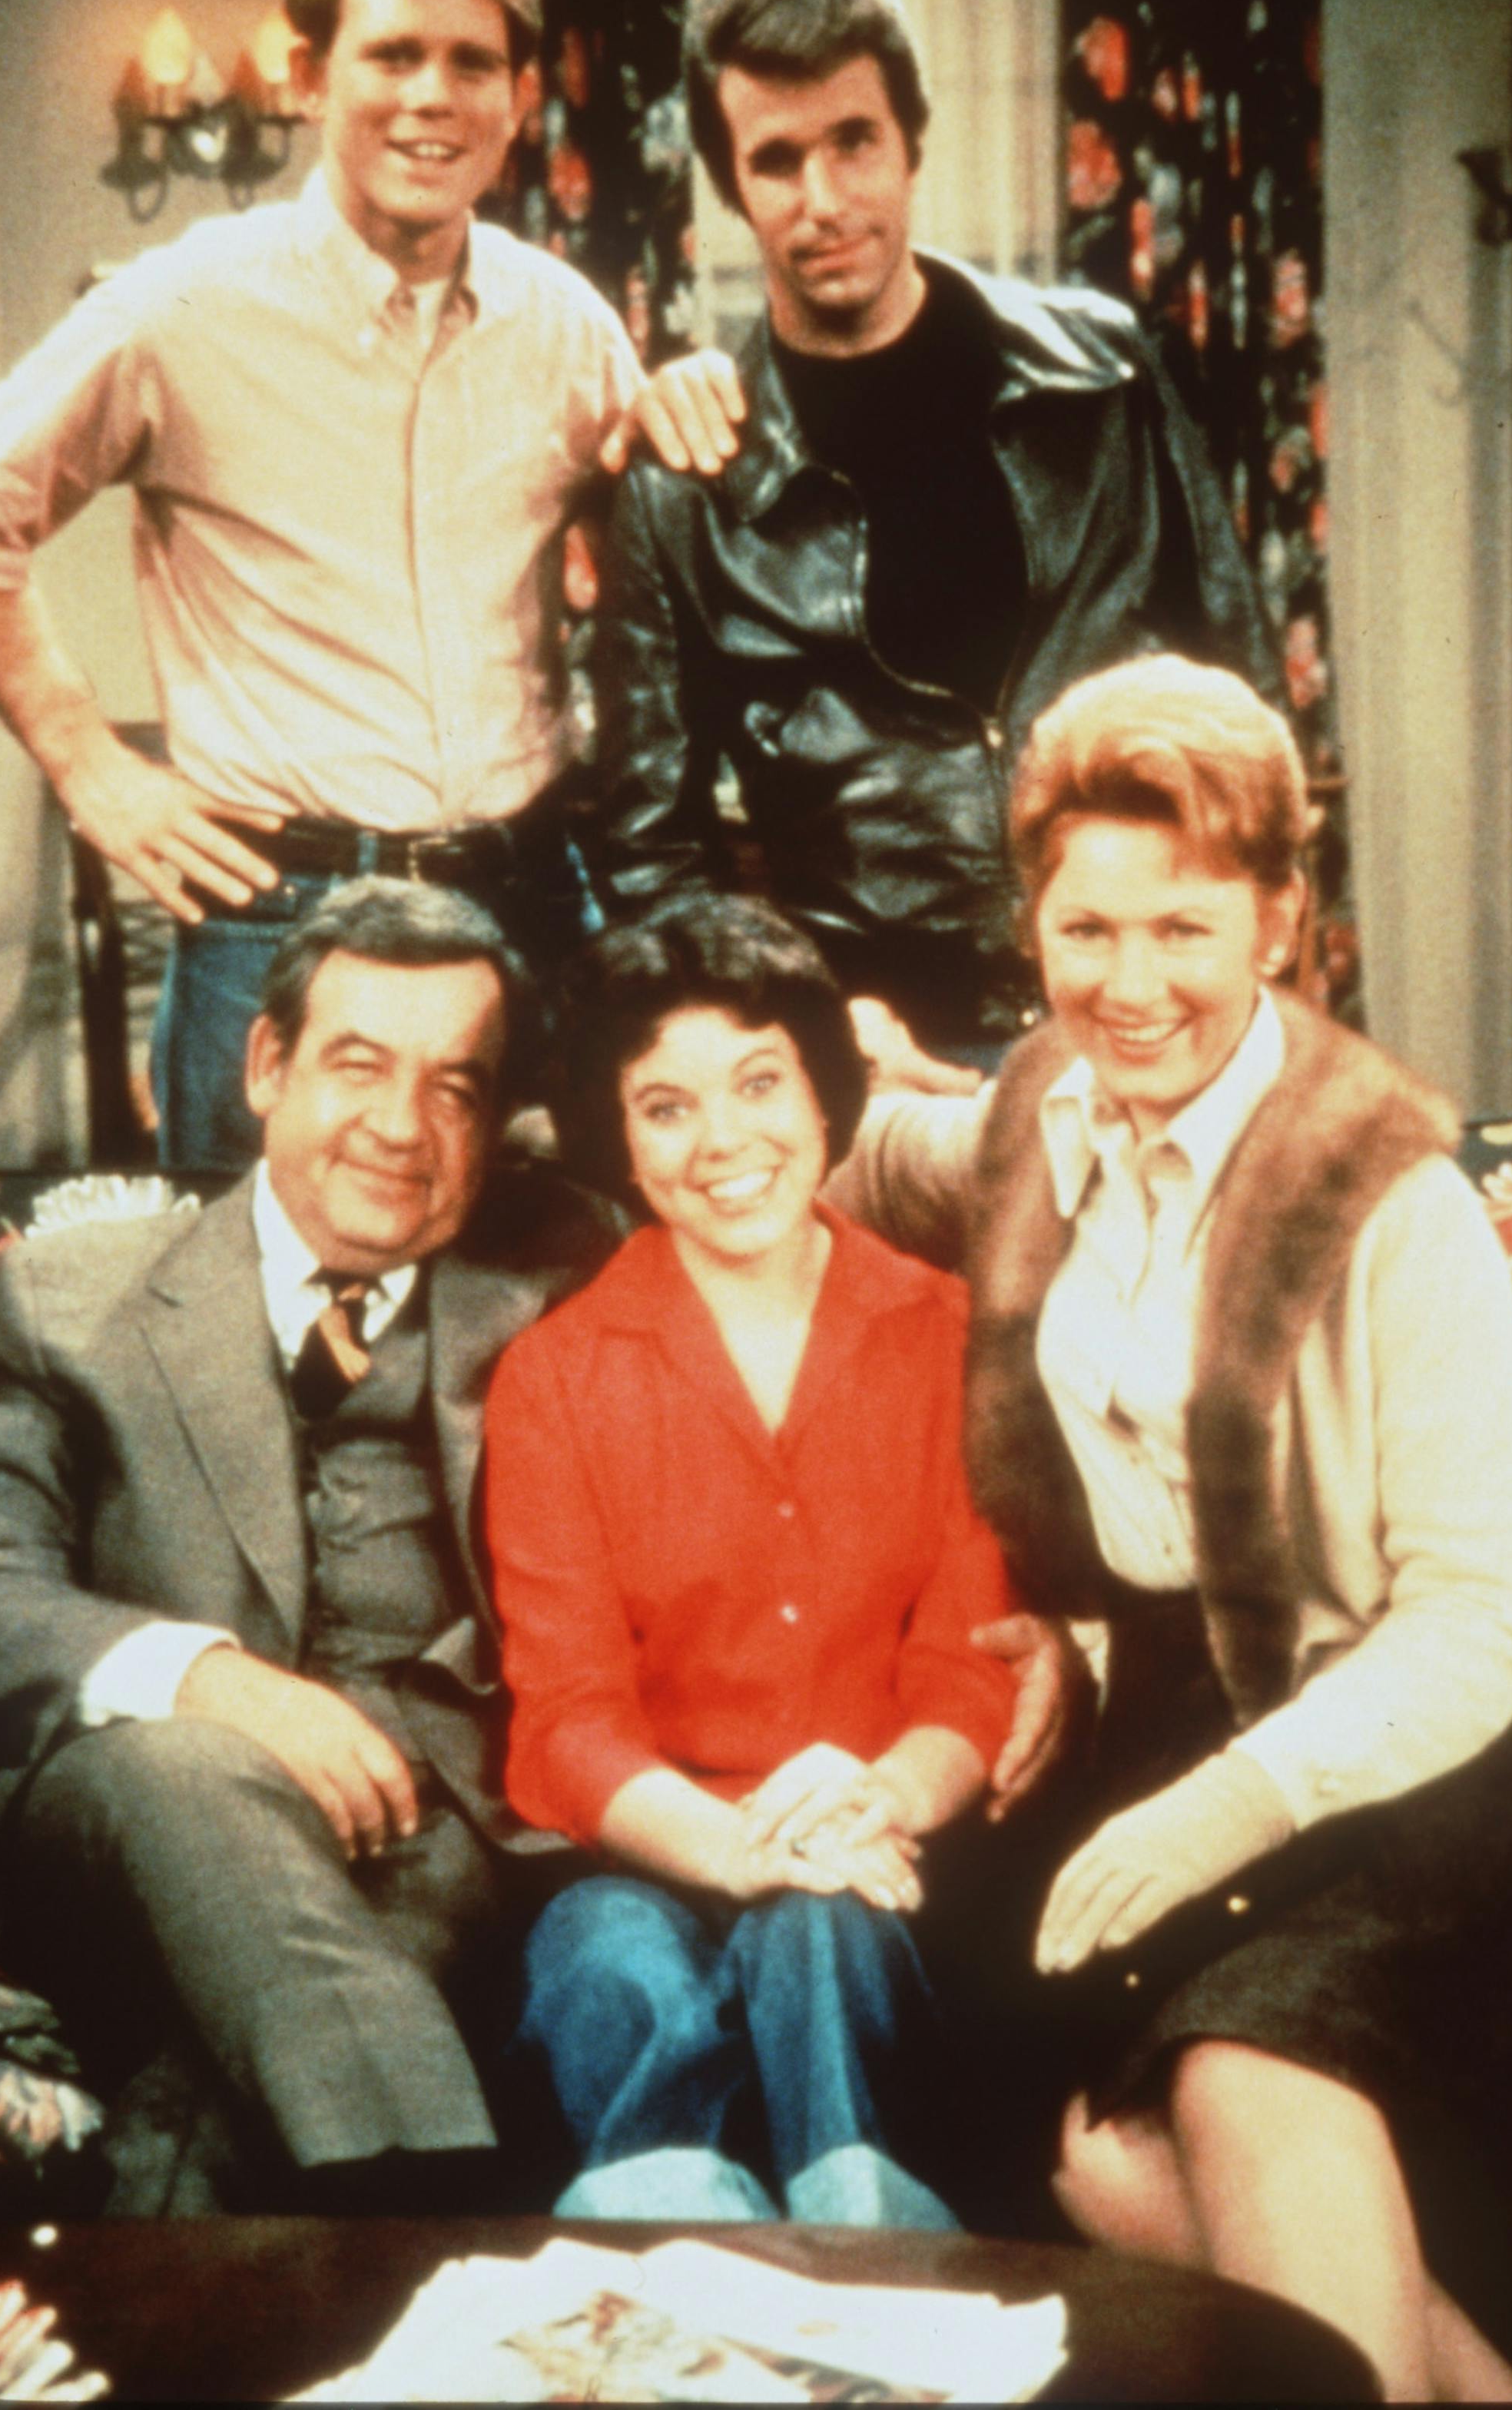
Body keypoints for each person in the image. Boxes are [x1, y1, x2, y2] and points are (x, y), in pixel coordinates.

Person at [831, 653, 1512, 2398]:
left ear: (1281, 918)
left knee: (1243, 2068)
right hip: (1189, 1716)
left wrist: (1231, 1804)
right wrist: (576, 1155)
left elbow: (1488, 1615)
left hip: (1444, 1741)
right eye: (1085, 930)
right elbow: (848, 1159)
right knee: (1098, 2160)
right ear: (1031, 922)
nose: (1130, 986)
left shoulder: (1387, 1195)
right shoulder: (1031, 1114)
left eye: (1184, 930)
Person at [0, 0, 742, 1169]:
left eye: (472, 61)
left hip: (527, 887)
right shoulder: (180, 309)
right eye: (394, 54)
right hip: (283, 914)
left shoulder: (566, 323)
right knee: (252, 1330)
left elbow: (636, 538)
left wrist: (679, 407)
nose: (432, 95)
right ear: (315, 78)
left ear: (520, 100)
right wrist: (88, 765)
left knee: (551, 1295)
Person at [0, 878, 623, 2214]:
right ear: (265, 1065)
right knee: (189, 1769)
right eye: (357, 1065)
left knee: (203, 2112)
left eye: (455, 1087)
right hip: (121, 1804)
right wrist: (211, 1678)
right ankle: (438, 2209)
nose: (398, 1126)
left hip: (425, 1822)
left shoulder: (566, 1271)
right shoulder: (64, 1296)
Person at [589, 0, 1278, 1093]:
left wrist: (1240, 990)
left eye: (854, 141)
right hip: (887, 1062)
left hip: (1147, 1019)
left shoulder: (1102, 374)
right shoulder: (685, 488)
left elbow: (1242, 699)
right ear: (730, 189)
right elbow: (653, 860)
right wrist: (809, 1026)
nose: (824, 200)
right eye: (777, 160)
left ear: (911, 139)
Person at [483, 895, 1020, 2225]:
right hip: (655, 1850)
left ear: (829, 1094)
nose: (725, 1141)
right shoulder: (552, 1377)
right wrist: (737, 1848)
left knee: (819, 1932)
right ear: (618, 1136)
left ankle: (871, 2240)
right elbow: (567, 1720)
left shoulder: (949, 1331)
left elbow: (974, 1674)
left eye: (761, 1083)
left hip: (884, 1852)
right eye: (666, 1106)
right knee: (600, 1954)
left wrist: (868, 1810)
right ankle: (665, 2239)